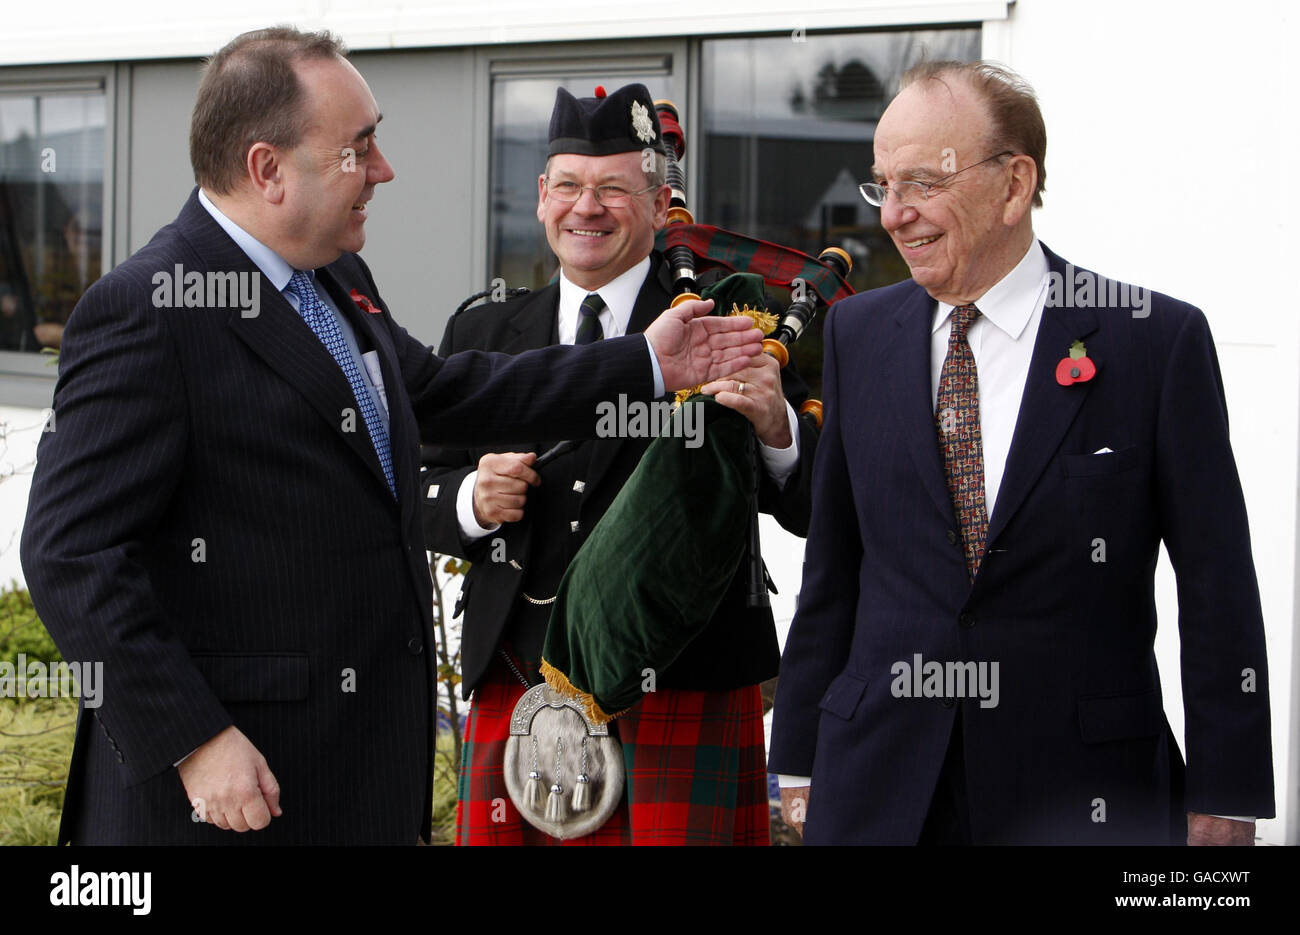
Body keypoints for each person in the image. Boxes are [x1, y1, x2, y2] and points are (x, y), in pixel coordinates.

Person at [19, 29, 761, 846]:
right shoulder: (148, 310)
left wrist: (646, 365)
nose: (384, 169)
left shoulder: (334, 271)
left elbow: (443, 393)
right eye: (359, 148)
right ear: (268, 169)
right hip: (226, 797)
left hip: (354, 774)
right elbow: (70, 553)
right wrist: (193, 739)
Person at [769, 60, 1273, 845]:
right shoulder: (857, 334)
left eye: (921, 184)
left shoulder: (1153, 341)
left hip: (1084, 790)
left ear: (1013, 184)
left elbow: (1218, 585)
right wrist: (797, 755)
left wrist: (1226, 787)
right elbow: (835, 567)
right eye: (882, 186)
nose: (894, 215)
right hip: (880, 786)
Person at [421, 83, 817, 845]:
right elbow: (416, 485)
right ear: (541, 197)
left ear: (660, 199)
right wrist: (472, 496)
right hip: (518, 674)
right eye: (567, 185)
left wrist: (775, 426)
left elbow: (806, 504)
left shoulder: (727, 317)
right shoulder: (485, 326)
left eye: (612, 188)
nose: (586, 207)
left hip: (685, 676)